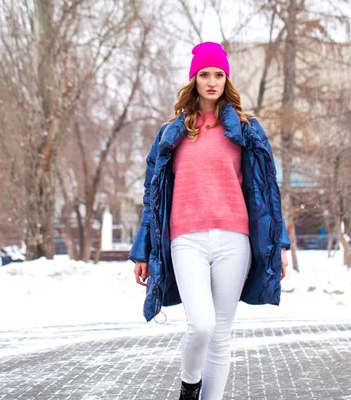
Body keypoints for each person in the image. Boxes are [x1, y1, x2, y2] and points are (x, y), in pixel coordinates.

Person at [129, 42, 290, 400]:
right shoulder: (172, 133)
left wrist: (279, 244)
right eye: (205, 74)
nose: (212, 81)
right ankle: (189, 386)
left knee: (222, 334)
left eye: (219, 74)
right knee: (201, 325)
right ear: (194, 80)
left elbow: (267, 192)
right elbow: (151, 197)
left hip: (235, 239)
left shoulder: (247, 131)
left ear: (226, 79)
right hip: (186, 239)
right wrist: (143, 250)